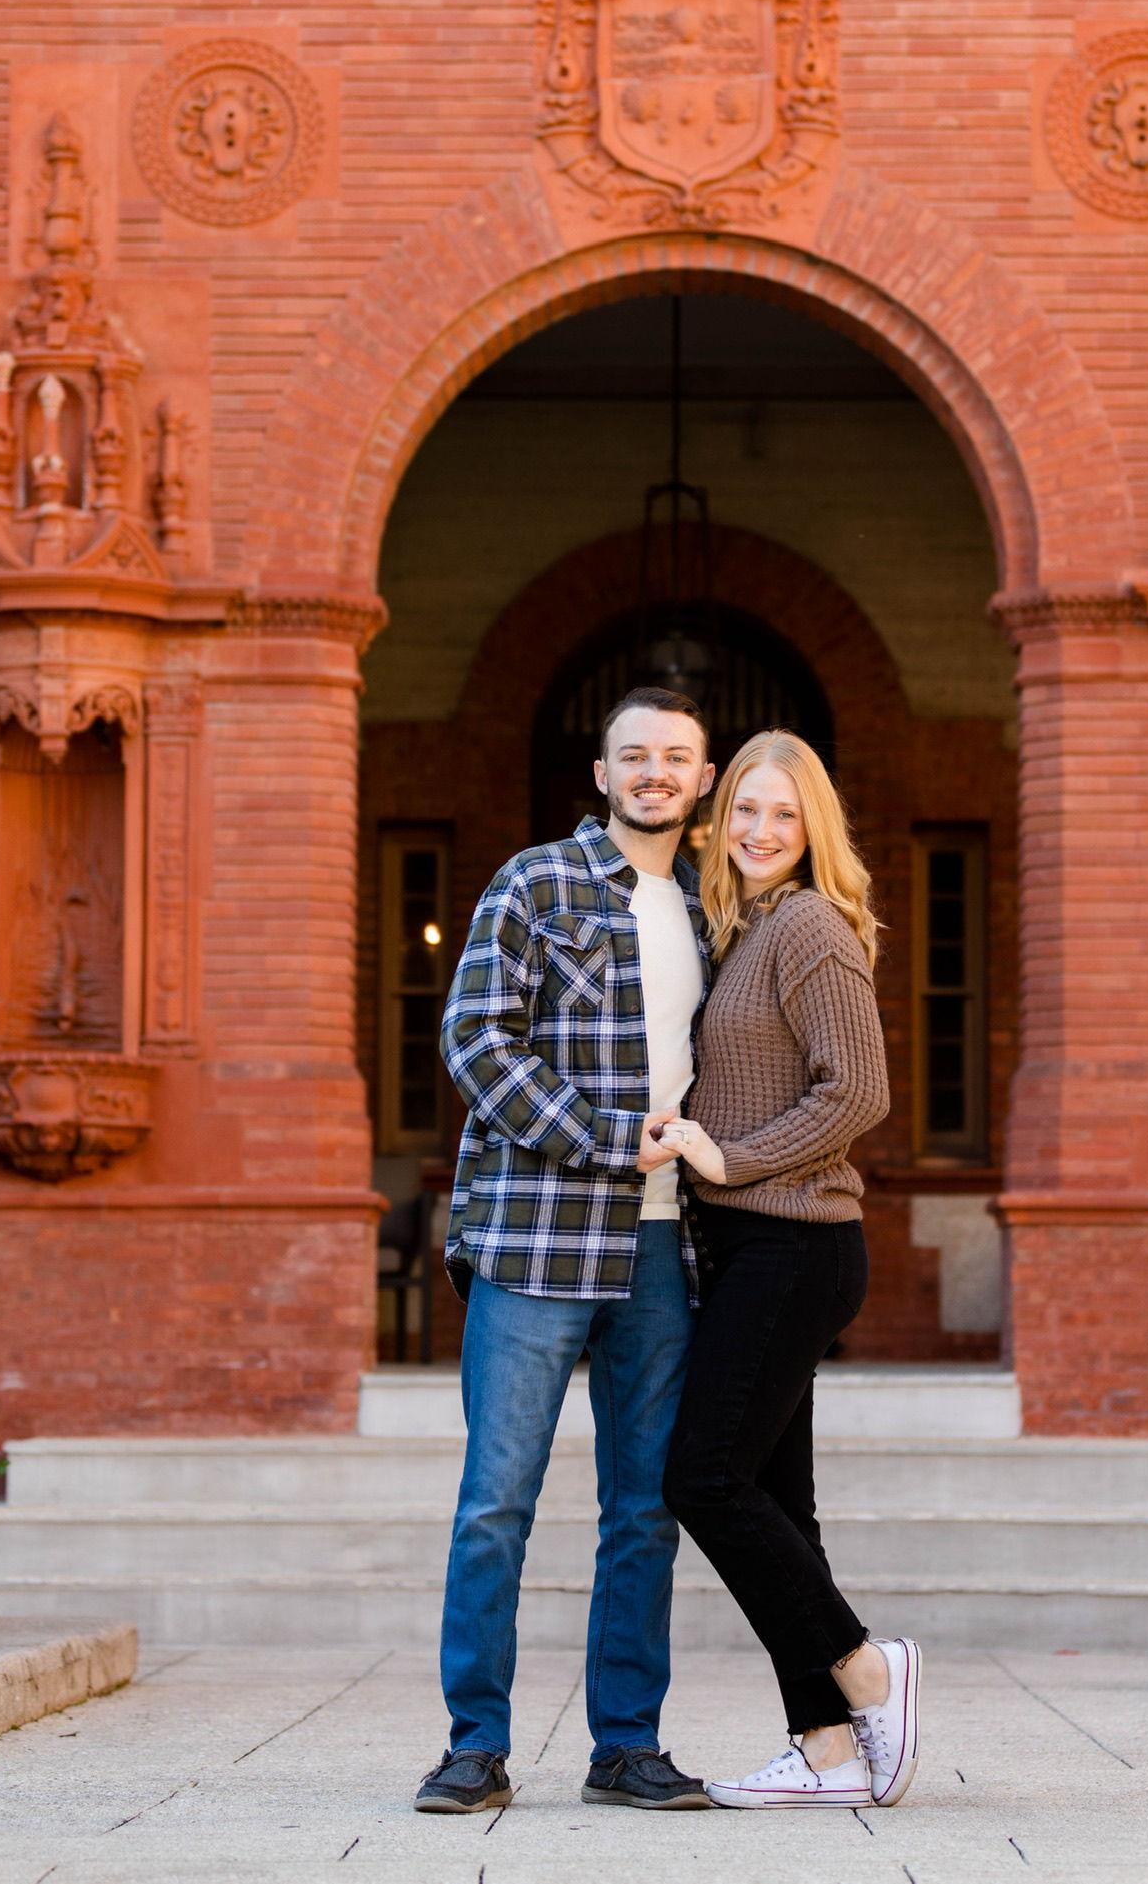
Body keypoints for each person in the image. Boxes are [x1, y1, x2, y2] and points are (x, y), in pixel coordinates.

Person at [414, 688, 718, 1817]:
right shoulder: (534, 883)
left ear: (700, 776)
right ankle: (474, 1745)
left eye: (674, 757)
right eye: (633, 754)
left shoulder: (708, 906)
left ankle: (625, 1746)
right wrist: (602, 1140)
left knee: (644, 1509)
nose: (653, 771)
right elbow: (473, 1038)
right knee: (497, 1500)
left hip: (664, 1256)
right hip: (535, 1239)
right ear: (600, 774)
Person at [651, 729, 923, 1811]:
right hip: (758, 1245)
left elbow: (857, 1092)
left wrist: (730, 1155)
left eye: (785, 815)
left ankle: (865, 1668)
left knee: (701, 1477)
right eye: (749, 813)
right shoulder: (748, 927)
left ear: (815, 830)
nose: (763, 833)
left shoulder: (808, 924)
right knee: (778, 1504)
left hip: (795, 1241)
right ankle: (827, 1747)